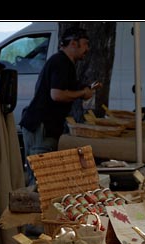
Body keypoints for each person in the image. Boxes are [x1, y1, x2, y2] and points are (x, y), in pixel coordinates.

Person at [19, 26, 101, 187]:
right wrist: (81, 94)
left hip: (45, 126)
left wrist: (85, 88)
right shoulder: (60, 62)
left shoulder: (64, 63)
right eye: (85, 44)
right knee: (40, 180)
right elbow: (57, 94)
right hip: (41, 128)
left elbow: (67, 87)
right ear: (73, 43)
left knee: (44, 179)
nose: (87, 49)